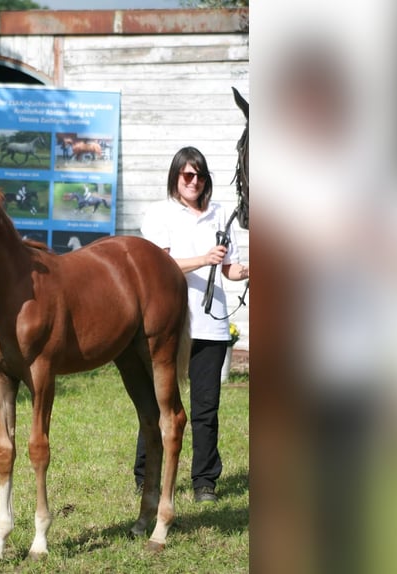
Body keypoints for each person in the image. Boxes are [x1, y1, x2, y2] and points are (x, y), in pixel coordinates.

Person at [137, 146, 249, 502]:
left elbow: (229, 268)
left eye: (200, 175)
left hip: (211, 325)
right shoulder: (158, 214)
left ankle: (204, 482)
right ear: (175, 177)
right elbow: (162, 265)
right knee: (158, 404)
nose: (194, 181)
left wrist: (246, 270)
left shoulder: (220, 216)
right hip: (168, 325)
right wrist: (204, 258)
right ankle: (146, 475)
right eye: (188, 175)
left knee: (206, 408)